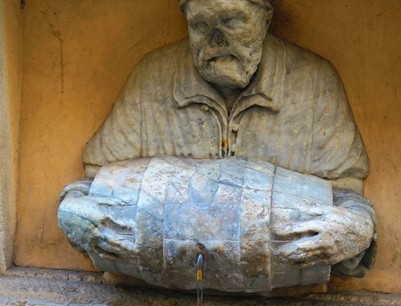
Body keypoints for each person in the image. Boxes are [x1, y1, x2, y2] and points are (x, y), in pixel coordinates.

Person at [62, 0, 376, 277]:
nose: (216, 39)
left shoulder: (314, 84)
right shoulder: (152, 80)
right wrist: (74, 210)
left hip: (286, 301)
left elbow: (346, 198)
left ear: (264, 18)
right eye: (201, 24)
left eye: (232, 20)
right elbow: (95, 187)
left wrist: (357, 230)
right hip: (164, 293)